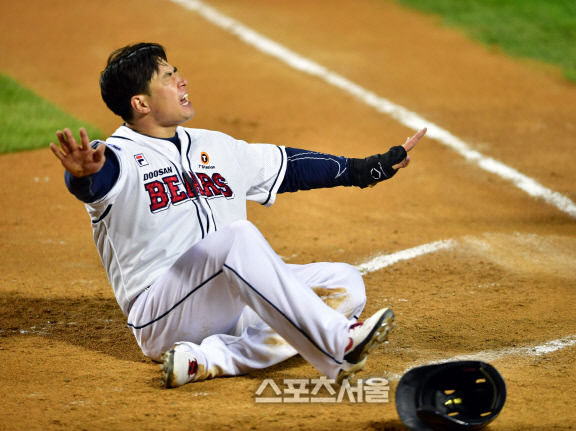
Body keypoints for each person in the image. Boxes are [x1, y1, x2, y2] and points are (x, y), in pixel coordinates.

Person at [50, 42, 427, 388]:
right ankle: (337, 343)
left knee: (344, 282)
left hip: (229, 303)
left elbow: (289, 167)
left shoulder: (214, 145)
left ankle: (212, 358)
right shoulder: (117, 158)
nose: (182, 80)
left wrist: (365, 170)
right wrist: (81, 175)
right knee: (238, 237)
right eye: (168, 77)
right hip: (163, 313)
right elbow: (97, 182)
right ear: (141, 104)